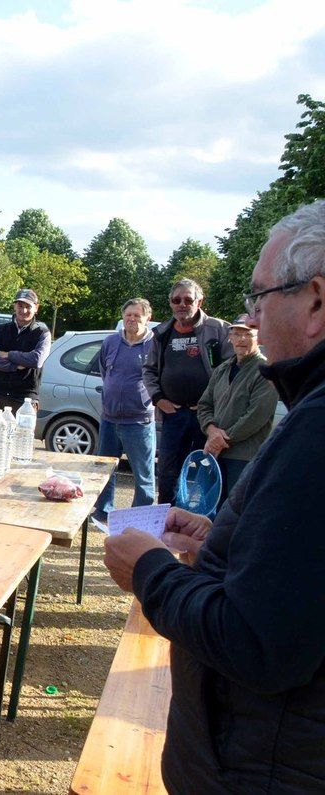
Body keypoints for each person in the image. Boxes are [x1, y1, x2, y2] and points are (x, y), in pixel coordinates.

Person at [104, 199, 325, 792]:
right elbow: (293, 580)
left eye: (259, 297)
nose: (250, 314)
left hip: (261, 767)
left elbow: (256, 643)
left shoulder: (316, 428)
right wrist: (221, 543)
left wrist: (149, 569)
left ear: (316, 302)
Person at [143, 278, 233, 504]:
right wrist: (158, 399)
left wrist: (211, 402)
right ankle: (166, 519)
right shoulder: (162, 333)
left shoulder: (219, 329)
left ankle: (200, 523)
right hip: (174, 414)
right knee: (167, 472)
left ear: (199, 301)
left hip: (207, 417)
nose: (182, 304)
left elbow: (232, 371)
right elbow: (149, 370)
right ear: (170, 303)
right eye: (176, 300)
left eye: (188, 299)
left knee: (207, 472)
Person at [196, 314, 278, 502]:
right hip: (216, 455)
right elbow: (204, 405)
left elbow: (257, 415)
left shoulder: (266, 370)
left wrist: (220, 439)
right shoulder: (223, 368)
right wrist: (210, 429)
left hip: (244, 456)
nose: (242, 339)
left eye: (248, 334)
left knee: (235, 512)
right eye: (237, 333)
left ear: (258, 337)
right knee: (210, 510)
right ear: (229, 337)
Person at [93, 298, 157, 520]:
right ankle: (103, 512)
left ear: (148, 318)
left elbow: (160, 378)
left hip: (139, 421)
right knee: (104, 471)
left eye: (137, 315)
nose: (131, 319)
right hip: (109, 419)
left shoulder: (155, 345)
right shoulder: (110, 342)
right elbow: (105, 371)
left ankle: (139, 519)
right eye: (128, 315)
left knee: (144, 476)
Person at [0, 288, 51, 421]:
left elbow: (36, 360)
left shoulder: (43, 333)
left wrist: (9, 355)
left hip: (25, 398)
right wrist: (15, 366)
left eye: (28, 306)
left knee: (20, 440)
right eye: (20, 306)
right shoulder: (0, 330)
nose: (23, 310)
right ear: (14, 306)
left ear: (36, 308)